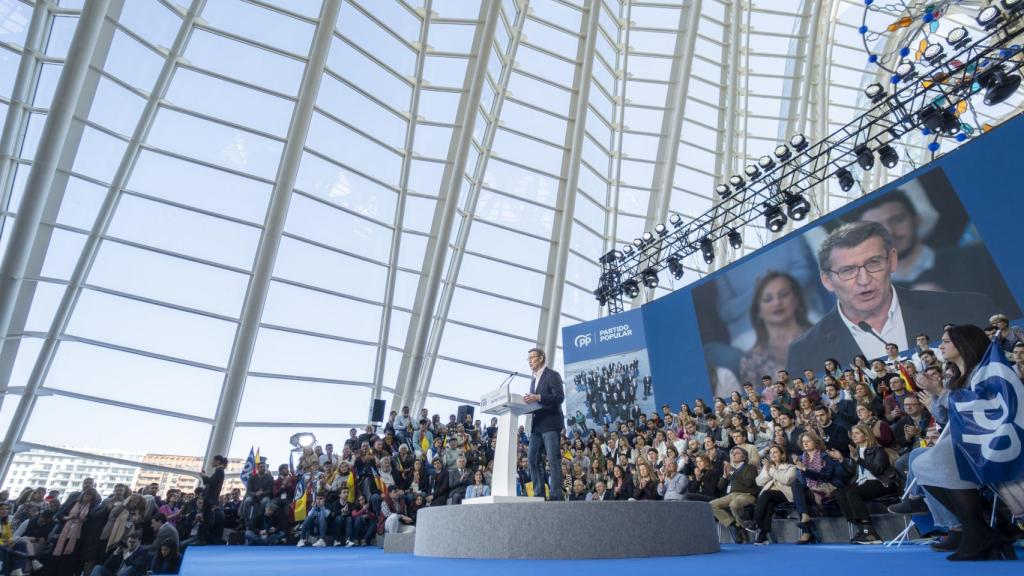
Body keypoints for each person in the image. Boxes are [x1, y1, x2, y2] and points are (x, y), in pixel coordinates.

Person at [787, 221, 995, 373]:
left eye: (874, 262)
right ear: (827, 281)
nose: (863, 279)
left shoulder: (968, 309)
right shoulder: (804, 352)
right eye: (848, 270)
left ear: (892, 260)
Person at [911, 324, 1018, 561]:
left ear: (964, 344)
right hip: (968, 441)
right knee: (920, 463)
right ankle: (976, 528)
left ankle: (976, 530)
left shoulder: (987, 371)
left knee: (937, 459)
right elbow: (947, 418)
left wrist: (940, 389)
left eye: (946, 341)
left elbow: (986, 410)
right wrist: (935, 393)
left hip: (993, 441)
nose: (941, 345)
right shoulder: (957, 377)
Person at [738, 272, 813, 385]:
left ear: (796, 300)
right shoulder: (750, 361)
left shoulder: (819, 335)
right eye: (768, 299)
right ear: (758, 311)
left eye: (784, 295)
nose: (777, 303)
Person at [523, 347, 566, 501]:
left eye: (532, 358)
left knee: (553, 459)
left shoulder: (552, 375)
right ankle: (539, 494)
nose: (529, 361)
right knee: (532, 459)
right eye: (528, 359)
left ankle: (556, 495)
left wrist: (538, 397)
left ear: (541, 358)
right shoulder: (533, 380)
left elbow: (559, 397)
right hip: (536, 426)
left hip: (550, 423)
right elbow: (535, 401)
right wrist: (525, 406)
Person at [710, 447, 758, 544]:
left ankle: (741, 527)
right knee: (710, 505)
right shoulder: (731, 469)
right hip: (731, 495)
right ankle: (735, 525)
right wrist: (724, 476)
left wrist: (733, 472)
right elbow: (720, 487)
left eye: (737, 453)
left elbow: (749, 482)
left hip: (747, 495)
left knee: (734, 504)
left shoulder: (750, 467)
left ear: (744, 457)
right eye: (732, 453)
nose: (734, 454)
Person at [751, 444, 797, 545]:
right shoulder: (767, 467)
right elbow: (758, 482)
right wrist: (767, 472)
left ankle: (755, 522)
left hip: (785, 494)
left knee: (767, 494)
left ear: (782, 455)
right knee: (769, 504)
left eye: (775, 452)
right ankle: (762, 537)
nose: (772, 454)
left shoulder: (790, 467)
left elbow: (787, 480)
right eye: (771, 453)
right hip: (770, 496)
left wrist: (771, 470)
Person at [199, 455, 226, 544]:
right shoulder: (219, 471)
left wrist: (204, 476)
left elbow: (211, 482)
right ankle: (204, 539)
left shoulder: (219, 471)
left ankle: (204, 540)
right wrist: (204, 476)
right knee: (207, 519)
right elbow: (209, 482)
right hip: (210, 498)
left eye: (213, 460)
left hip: (210, 499)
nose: (211, 462)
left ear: (218, 461)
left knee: (207, 519)